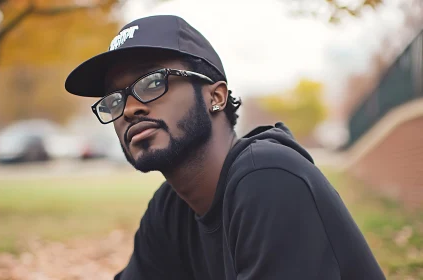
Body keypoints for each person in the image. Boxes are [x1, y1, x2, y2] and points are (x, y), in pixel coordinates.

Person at [65, 15, 386, 280]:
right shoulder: (170, 209)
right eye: (114, 99)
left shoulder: (269, 178)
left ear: (215, 97)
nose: (130, 108)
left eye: (152, 82)